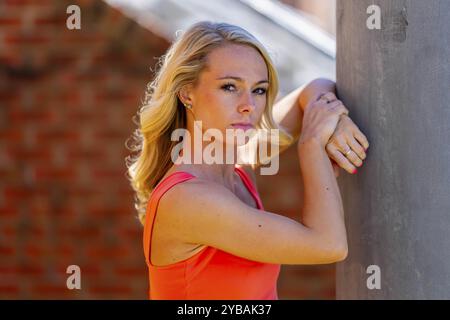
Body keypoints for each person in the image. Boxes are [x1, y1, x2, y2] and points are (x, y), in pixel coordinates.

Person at [126, 21, 370, 300]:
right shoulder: (188, 199)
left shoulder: (236, 163)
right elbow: (329, 245)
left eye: (259, 90)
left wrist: (334, 119)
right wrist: (313, 143)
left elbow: (314, 87)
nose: (249, 106)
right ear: (186, 93)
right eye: (230, 87)